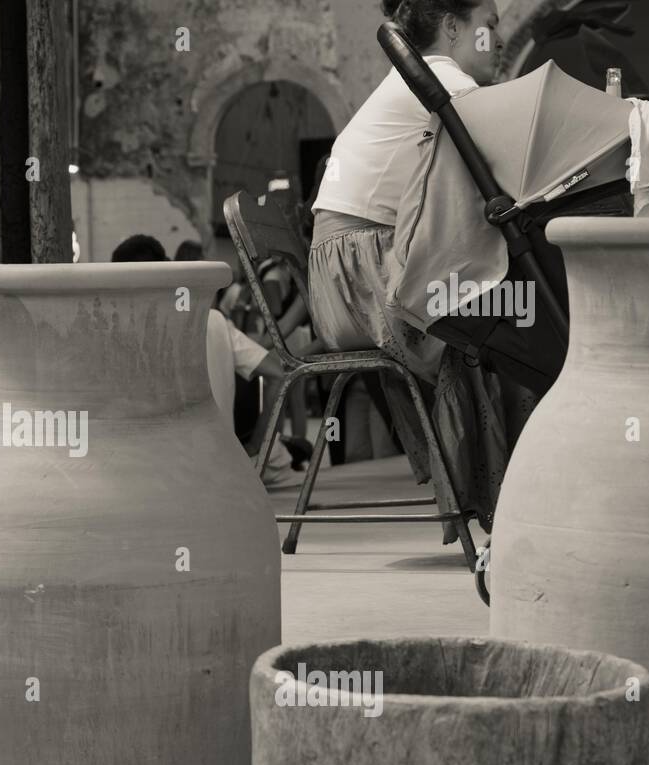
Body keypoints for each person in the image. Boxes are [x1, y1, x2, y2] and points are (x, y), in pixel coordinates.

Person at [309, 0, 529, 534]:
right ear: (453, 29)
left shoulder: (422, 79)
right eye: (489, 27)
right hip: (361, 275)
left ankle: (504, 494)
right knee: (496, 326)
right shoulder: (445, 83)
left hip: (344, 276)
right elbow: (517, 167)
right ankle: (512, 499)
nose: (497, 42)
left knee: (498, 310)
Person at [110, 235, 307, 485]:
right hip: (221, 473)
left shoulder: (126, 337)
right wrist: (258, 447)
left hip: (160, 478)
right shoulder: (214, 321)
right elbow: (278, 375)